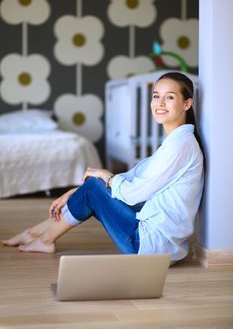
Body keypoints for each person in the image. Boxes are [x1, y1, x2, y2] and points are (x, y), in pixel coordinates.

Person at [1, 72, 204, 263]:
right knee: (95, 186)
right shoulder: (177, 142)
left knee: (95, 187)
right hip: (162, 246)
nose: (159, 103)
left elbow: (133, 194)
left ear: (187, 103)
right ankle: (36, 233)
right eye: (156, 96)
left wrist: (104, 176)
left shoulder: (179, 146)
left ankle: (44, 239)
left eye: (169, 97)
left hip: (150, 246)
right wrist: (76, 191)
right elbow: (134, 177)